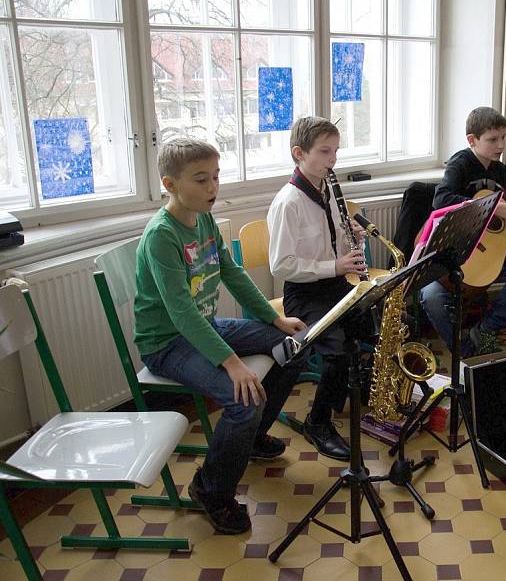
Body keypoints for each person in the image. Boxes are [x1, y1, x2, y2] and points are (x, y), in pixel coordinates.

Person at [134, 138, 307, 535]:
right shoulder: (162, 235)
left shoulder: (205, 219)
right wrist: (231, 364)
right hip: (167, 343)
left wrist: (273, 319)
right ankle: (211, 490)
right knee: (242, 400)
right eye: (201, 179)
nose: (213, 187)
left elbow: (232, 273)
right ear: (170, 183)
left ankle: (252, 438)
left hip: (204, 328)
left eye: (215, 176)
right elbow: (180, 313)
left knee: (294, 347)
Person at [268, 116, 369, 462]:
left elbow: (335, 247)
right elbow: (281, 265)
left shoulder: (327, 191)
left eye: (336, 151)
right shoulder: (288, 202)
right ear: (299, 153)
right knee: (337, 349)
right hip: (304, 293)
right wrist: (335, 266)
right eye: (325, 151)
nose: (333, 159)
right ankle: (318, 422)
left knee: (370, 326)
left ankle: (357, 392)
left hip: (336, 285)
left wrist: (353, 245)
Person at [420, 106, 506, 357]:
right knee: (430, 295)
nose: (500, 145)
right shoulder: (460, 164)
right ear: (472, 140)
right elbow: (442, 200)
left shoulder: (501, 171)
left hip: (492, 252)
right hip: (458, 251)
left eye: (503, 138)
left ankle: (486, 329)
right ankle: (464, 350)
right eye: (493, 139)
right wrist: (493, 209)